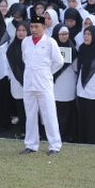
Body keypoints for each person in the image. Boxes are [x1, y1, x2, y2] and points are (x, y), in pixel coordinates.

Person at [20, 15, 65, 155]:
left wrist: (47, 73)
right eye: (31, 26)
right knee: (30, 115)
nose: (33, 29)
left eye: (36, 26)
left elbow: (59, 62)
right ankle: (31, 144)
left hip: (44, 83)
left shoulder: (50, 42)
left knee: (49, 114)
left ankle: (55, 145)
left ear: (44, 27)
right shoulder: (25, 42)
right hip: (28, 83)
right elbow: (25, 59)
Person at [51, 23, 78, 142]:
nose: (64, 36)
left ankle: (66, 134)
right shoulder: (51, 47)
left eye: (66, 34)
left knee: (67, 110)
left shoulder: (72, 48)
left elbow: (76, 68)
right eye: (61, 34)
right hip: (54, 83)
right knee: (54, 110)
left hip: (68, 83)